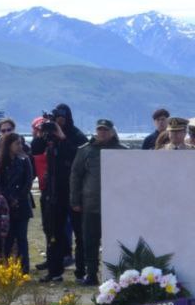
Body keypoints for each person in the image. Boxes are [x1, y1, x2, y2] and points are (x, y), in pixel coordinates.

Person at [31, 103, 88, 283]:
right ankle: (54, 271)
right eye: (57, 118)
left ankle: (81, 272)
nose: (60, 121)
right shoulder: (48, 134)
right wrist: (41, 134)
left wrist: (62, 137)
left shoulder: (76, 135)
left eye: (63, 118)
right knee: (53, 232)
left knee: (80, 233)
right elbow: (36, 150)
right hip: (54, 190)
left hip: (74, 191)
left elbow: (79, 156)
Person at [70, 119, 127, 285]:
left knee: (116, 242)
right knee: (90, 241)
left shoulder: (122, 151)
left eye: (105, 130)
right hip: (91, 204)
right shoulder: (85, 151)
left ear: (112, 132)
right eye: (99, 129)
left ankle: (116, 276)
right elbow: (75, 176)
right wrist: (75, 200)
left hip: (116, 206)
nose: (102, 132)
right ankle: (92, 275)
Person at [0, 131, 35, 272]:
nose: (19, 146)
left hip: (22, 204)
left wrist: (18, 197)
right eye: (17, 143)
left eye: (20, 143)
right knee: (7, 239)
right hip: (5, 206)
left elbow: (28, 181)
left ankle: (24, 269)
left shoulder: (24, 160)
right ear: (9, 145)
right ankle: (7, 269)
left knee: (22, 238)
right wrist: (9, 198)